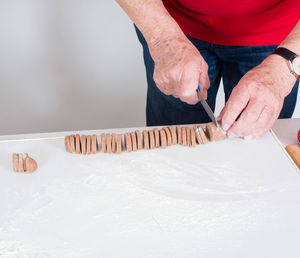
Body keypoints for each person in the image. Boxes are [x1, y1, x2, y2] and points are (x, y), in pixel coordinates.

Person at [116, 0, 300, 139]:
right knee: (173, 149)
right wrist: (162, 38)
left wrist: (285, 66)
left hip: (284, 39)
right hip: (168, 23)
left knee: (258, 148)